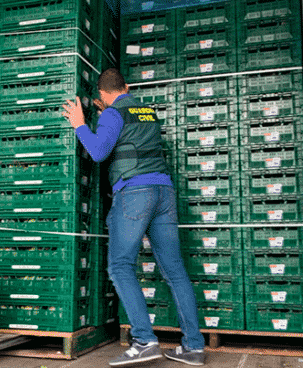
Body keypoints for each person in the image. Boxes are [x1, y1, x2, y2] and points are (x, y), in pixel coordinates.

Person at [62, 68, 206, 366]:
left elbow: (100, 151)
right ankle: (193, 346)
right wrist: (110, 108)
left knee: (120, 265)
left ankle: (144, 340)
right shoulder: (147, 112)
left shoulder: (112, 115)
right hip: (164, 193)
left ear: (102, 95)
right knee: (175, 271)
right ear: (126, 87)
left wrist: (79, 124)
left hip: (134, 193)